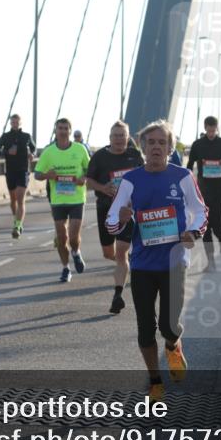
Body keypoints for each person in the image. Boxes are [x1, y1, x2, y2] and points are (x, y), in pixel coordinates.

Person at [105, 120, 208, 400]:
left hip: (175, 262)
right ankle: (155, 381)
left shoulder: (183, 176)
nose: (156, 147)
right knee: (145, 331)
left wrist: (194, 232)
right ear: (142, 147)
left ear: (170, 148)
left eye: (162, 142)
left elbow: (201, 212)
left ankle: (174, 346)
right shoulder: (131, 180)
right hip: (142, 264)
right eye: (151, 142)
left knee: (169, 326)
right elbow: (111, 219)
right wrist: (122, 218)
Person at [86, 120, 143, 313]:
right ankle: (126, 265)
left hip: (127, 212)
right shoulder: (100, 157)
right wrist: (103, 188)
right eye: (116, 136)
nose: (119, 139)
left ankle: (117, 295)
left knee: (121, 254)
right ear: (110, 138)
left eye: (122, 135)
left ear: (128, 138)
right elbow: (88, 181)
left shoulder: (134, 156)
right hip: (106, 209)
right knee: (108, 253)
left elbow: (146, 176)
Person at [34, 118, 91, 282]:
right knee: (61, 238)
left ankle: (76, 252)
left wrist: (84, 178)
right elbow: (37, 173)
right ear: (55, 130)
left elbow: (90, 169)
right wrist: (47, 175)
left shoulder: (80, 149)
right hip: (58, 199)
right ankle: (66, 268)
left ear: (70, 131)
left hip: (76, 198)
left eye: (66, 128)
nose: (63, 131)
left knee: (73, 237)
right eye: (60, 128)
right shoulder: (49, 152)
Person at [187, 116, 221, 272]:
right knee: (205, 227)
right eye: (208, 130)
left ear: (217, 128)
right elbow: (188, 168)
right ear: (204, 128)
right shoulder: (197, 145)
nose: (211, 133)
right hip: (203, 191)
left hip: (220, 190)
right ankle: (211, 262)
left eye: (213, 131)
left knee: (217, 226)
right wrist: (190, 188)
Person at [0, 114, 36, 239]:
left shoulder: (26, 136)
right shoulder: (5, 137)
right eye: (13, 122)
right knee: (13, 201)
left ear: (20, 123)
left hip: (23, 171)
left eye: (17, 122)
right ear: (10, 123)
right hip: (10, 171)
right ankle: (16, 220)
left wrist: (32, 154)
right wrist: (6, 152)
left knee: (20, 198)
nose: (15, 124)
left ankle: (18, 226)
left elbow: (34, 149)